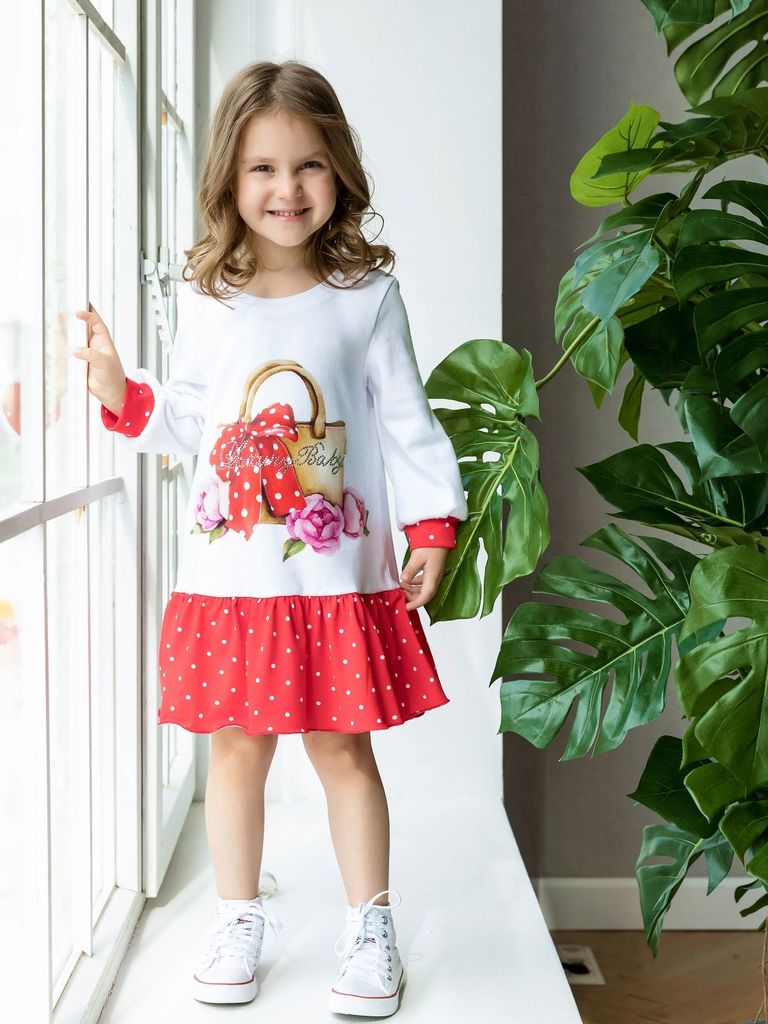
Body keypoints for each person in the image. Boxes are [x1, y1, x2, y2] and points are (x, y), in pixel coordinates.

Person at [72, 59, 467, 1018]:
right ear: (229, 178)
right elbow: (190, 418)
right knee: (237, 753)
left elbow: (407, 422)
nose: (286, 189)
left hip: (334, 579)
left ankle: (369, 925)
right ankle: (237, 918)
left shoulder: (366, 296)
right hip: (231, 581)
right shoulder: (209, 297)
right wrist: (122, 393)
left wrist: (431, 525)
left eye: (307, 165)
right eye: (262, 168)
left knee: (343, 753)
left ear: (338, 172)